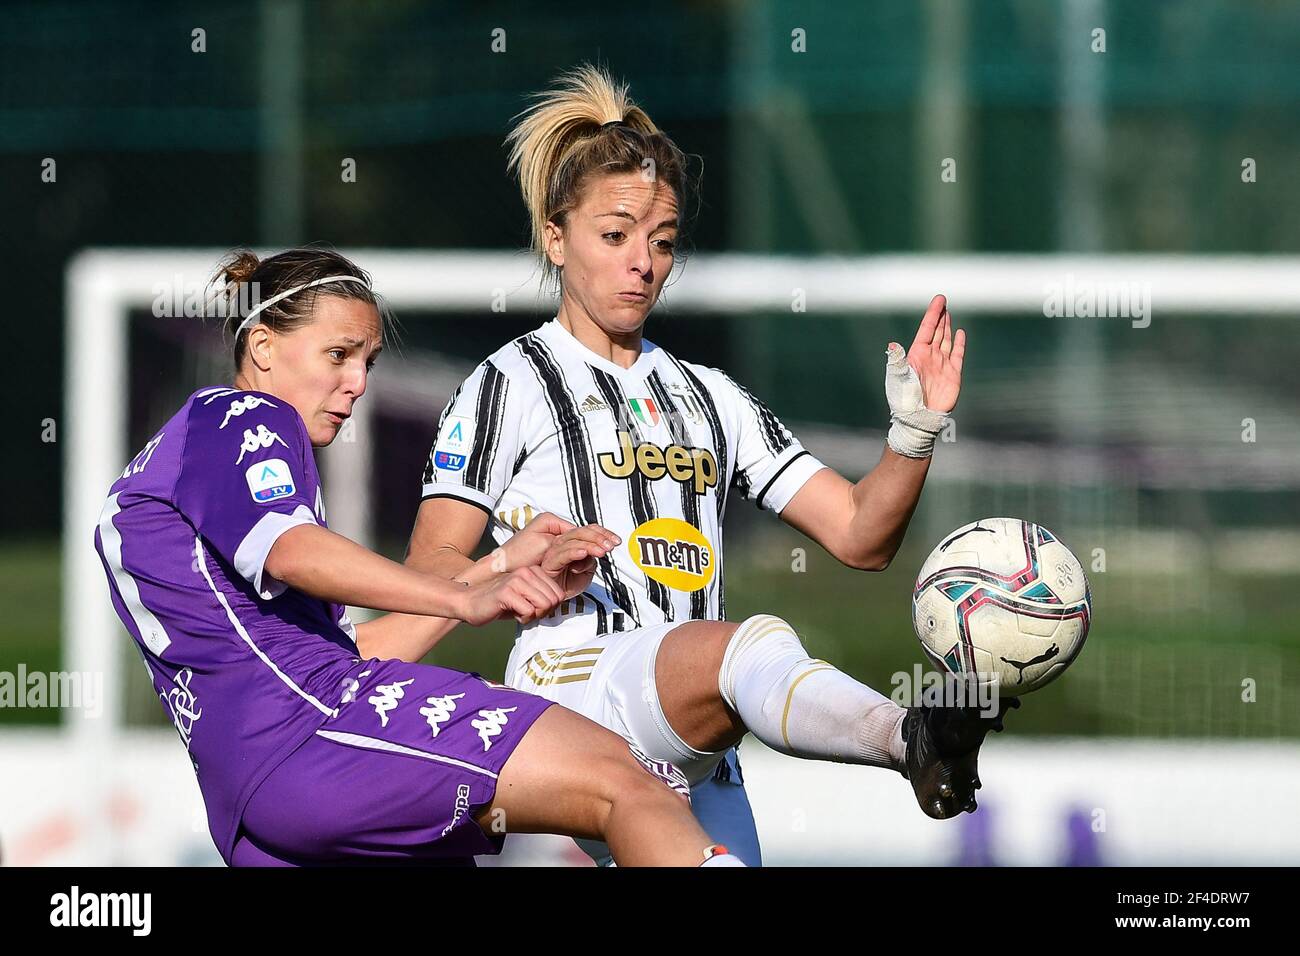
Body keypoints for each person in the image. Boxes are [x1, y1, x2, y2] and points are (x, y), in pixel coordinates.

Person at [407, 66, 1017, 866]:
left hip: (697, 745)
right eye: (615, 235)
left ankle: (906, 735)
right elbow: (431, 565)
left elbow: (861, 536)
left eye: (661, 242)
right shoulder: (508, 382)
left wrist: (915, 431)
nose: (643, 263)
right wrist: (508, 570)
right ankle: (907, 735)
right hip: (568, 692)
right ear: (555, 238)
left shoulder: (711, 396)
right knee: (749, 645)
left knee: (733, 659)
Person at [93, 246, 744, 867]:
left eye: (368, 363)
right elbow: (292, 553)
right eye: (339, 354)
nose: (356, 384)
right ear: (262, 347)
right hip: (318, 739)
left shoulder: (181, 466)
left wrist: (497, 569)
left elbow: (348, 652)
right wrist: (464, 596)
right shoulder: (240, 417)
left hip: (266, 800)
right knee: (627, 781)